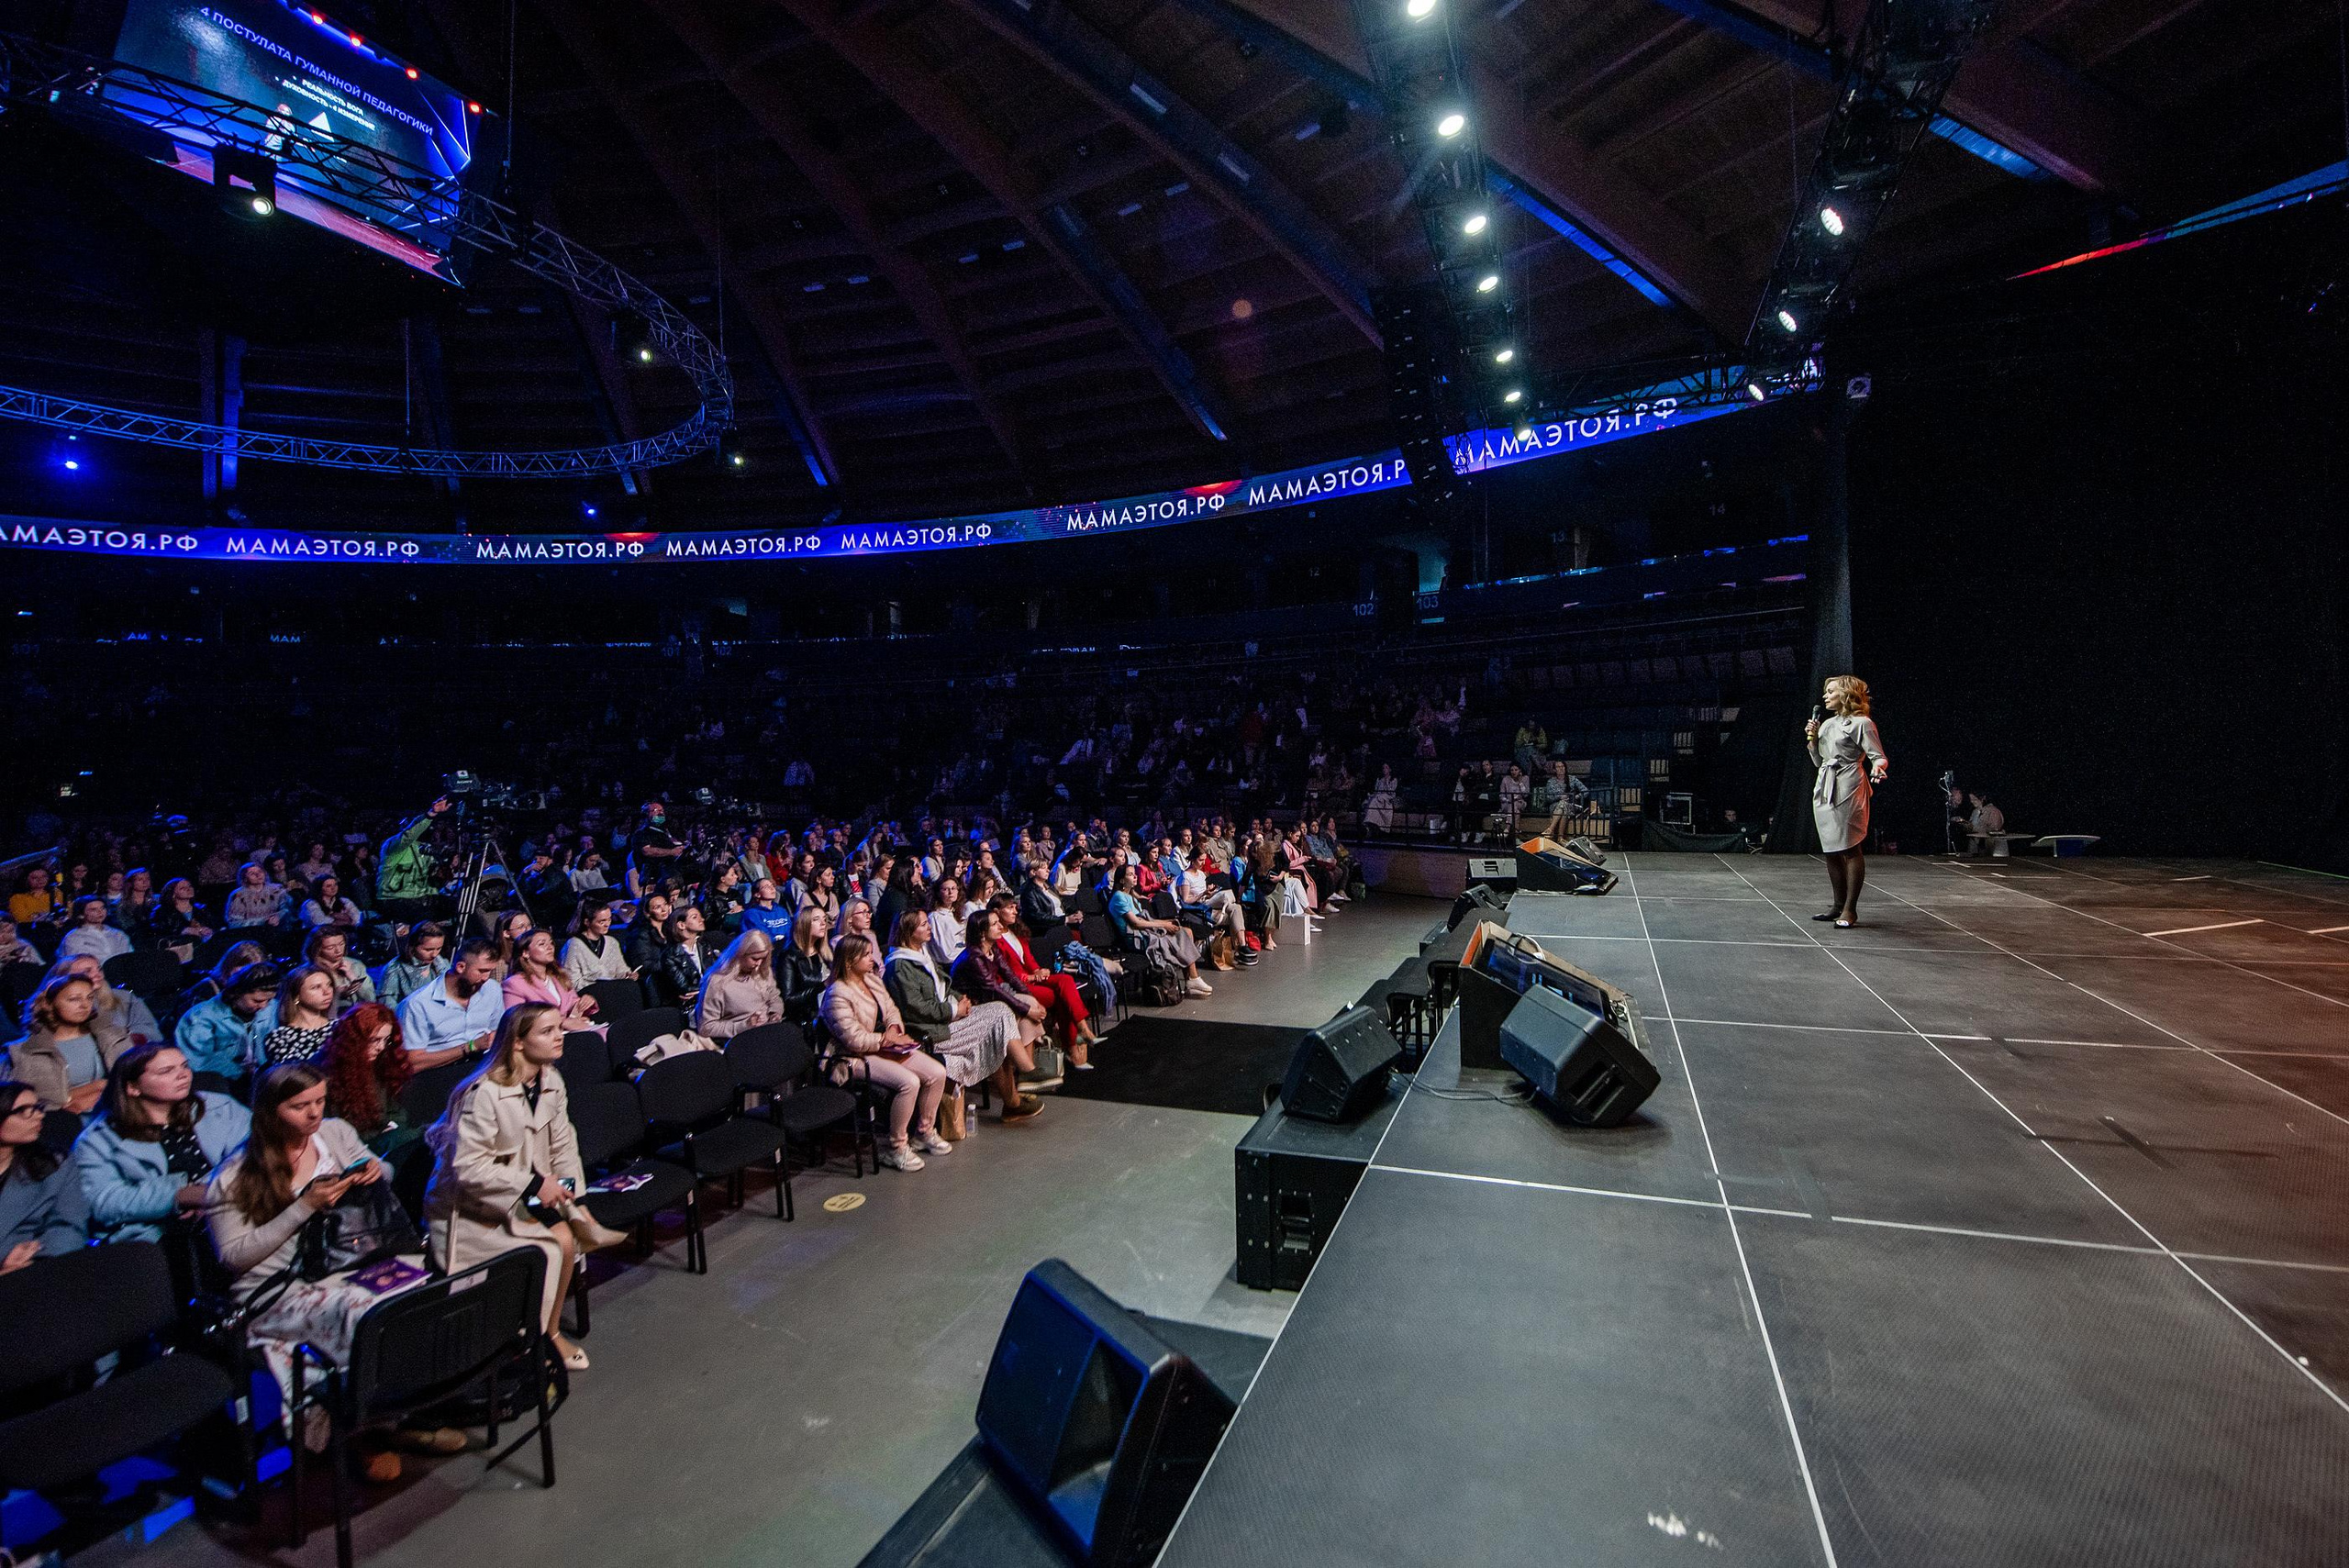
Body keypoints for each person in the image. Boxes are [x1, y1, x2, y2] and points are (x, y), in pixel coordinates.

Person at [422, 1001, 619, 1369]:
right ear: (517, 1042)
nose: (560, 1036)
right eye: (547, 1031)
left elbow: (563, 1144)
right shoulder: (482, 1094)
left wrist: (574, 1197)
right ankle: (534, 1338)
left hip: (522, 1192)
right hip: (470, 1207)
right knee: (551, 1245)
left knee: (569, 1235)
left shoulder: (550, 1080)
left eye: (560, 1028)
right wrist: (532, 1185)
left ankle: (548, 1332)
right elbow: (468, 1169)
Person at [72, 1043, 250, 1245]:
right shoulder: (98, 1139)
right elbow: (103, 1201)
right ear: (133, 1087)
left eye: (185, 1066)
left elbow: (257, 1152)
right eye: (166, 1071)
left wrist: (211, 1195)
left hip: (235, 1205)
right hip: (154, 1234)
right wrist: (179, 1196)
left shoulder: (219, 1106)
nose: (183, 1075)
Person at [887, 912, 1041, 1120]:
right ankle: (1024, 1077)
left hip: (949, 1018)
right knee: (999, 1020)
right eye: (924, 924)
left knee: (1001, 1014)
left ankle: (1015, 1097)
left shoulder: (921, 955)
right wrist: (953, 1010)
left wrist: (961, 1000)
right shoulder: (899, 966)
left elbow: (945, 988)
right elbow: (916, 1009)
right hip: (932, 1032)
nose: (929, 927)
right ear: (909, 931)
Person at [818, 934, 952, 1170]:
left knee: (936, 1072)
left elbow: (891, 1009)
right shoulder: (836, 994)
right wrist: (885, 1039)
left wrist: (893, 1029)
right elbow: (854, 1039)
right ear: (850, 961)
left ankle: (923, 1132)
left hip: (883, 1046)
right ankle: (897, 1147)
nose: (873, 959)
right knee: (909, 1082)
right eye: (867, 955)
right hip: (852, 1057)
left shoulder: (871, 980)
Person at [1806, 675, 1890, 928]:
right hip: (1825, 786)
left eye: (1830, 691)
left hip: (1849, 785)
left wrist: (1878, 768)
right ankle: (1836, 905)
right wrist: (1812, 739)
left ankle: (1850, 910)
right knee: (1831, 849)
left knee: (1850, 847)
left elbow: (1879, 756)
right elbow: (1818, 761)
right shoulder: (1827, 725)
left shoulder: (1862, 724)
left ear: (1845, 694)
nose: (1825, 696)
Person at [987, 894, 1097, 1065]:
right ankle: (1073, 1046)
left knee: (1066, 981)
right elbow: (1005, 972)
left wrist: (1038, 970)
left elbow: (1028, 958)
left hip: (1031, 977)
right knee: (1061, 997)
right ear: (996, 912)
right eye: (1010, 908)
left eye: (1015, 907)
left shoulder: (1015, 931)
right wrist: (1031, 976)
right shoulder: (995, 937)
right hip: (1017, 984)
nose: (1015, 911)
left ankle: (1082, 1029)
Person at [6, 973, 128, 1113]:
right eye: (74, 999)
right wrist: (98, 1086)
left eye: (89, 998)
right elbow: (22, 1102)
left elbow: (133, 1081)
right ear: (49, 1004)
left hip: (117, 1114)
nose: (84, 1005)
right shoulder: (23, 1052)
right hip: (58, 1122)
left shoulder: (115, 1037)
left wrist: (99, 1088)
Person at [0, 1079, 88, 1269]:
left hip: (30, 1273)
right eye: (25, 1110)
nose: (39, 1116)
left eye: (38, 1107)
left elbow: (68, 1227)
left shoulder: (55, 1165)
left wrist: (31, 1262)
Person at [317, 1003, 419, 1156]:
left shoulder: (381, 1064)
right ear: (355, 1039)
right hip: (349, 1148)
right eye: (374, 1040)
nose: (381, 1047)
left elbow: (394, 1111)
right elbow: (332, 1129)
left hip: (383, 1137)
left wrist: (392, 1125)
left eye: (386, 1040)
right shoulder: (326, 1073)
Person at [394, 937, 506, 1071]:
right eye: (482, 971)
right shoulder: (417, 1004)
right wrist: (470, 1046)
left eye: (490, 971)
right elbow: (412, 1061)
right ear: (460, 967)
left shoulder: (492, 989)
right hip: (437, 1072)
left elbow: (496, 1031)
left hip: (482, 1065)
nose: (486, 978)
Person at [1107, 863, 1211, 996]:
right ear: (1121, 880)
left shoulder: (1131, 897)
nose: (1135, 876)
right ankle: (1192, 978)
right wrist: (1163, 926)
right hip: (1136, 937)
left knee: (1184, 930)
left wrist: (1166, 922)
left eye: (1134, 874)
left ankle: (1190, 979)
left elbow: (1147, 920)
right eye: (1130, 874)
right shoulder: (1118, 897)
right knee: (1181, 934)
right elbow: (1136, 923)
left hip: (1144, 930)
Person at [175, 961, 280, 1086]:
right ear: (237, 992)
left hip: (264, 1080)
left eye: (268, 1000)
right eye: (257, 1001)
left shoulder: (272, 1008)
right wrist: (241, 1072)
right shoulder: (200, 1017)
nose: (264, 1006)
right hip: (220, 1084)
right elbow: (197, 1062)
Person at [696, 929, 788, 1040]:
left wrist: (775, 1013)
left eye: (763, 959)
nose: (759, 964)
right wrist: (745, 1025)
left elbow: (774, 997)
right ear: (740, 954)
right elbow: (706, 1027)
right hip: (740, 1039)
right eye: (755, 959)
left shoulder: (763, 971)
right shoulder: (717, 982)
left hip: (769, 1031)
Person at [503, 929, 600, 1032]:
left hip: (569, 1033)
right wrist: (561, 1023)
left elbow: (572, 1004)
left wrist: (584, 1002)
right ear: (526, 953)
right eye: (542, 944)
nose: (550, 947)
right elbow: (517, 1021)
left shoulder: (558, 977)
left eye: (551, 943)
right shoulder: (515, 984)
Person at [651, 906, 717, 1009]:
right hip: (689, 1006)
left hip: (711, 998)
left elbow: (716, 975)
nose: (702, 919)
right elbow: (686, 988)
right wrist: (716, 987)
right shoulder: (670, 955)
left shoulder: (705, 946)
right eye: (695, 917)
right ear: (681, 925)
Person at [775, 906, 832, 1025]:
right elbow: (789, 999)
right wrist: (822, 986)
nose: (823, 923)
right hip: (806, 1021)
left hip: (830, 1014)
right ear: (804, 924)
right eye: (816, 919)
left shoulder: (826, 953)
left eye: (824, 919)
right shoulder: (789, 957)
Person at [560, 902, 633, 991]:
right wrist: (598, 983)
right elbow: (571, 983)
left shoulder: (612, 942)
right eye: (602, 921)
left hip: (613, 992)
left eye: (609, 919)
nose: (607, 924)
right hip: (589, 995)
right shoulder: (573, 945)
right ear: (587, 922)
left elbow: (621, 970)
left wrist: (627, 975)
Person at [375, 922, 450, 1010]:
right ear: (414, 946)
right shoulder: (394, 969)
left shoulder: (442, 965)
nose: (434, 954)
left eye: (438, 949)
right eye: (428, 950)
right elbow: (387, 1006)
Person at [304, 928, 376, 1011]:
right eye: (330, 948)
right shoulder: (308, 972)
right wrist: (337, 995)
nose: (338, 950)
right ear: (317, 949)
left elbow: (371, 999)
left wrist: (352, 976)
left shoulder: (356, 965)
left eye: (342, 944)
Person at [58, 895, 130, 964]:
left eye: (102, 908)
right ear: (81, 915)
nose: (100, 912)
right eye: (93, 909)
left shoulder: (118, 934)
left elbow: (129, 957)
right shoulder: (74, 937)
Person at [226, 862, 291, 928]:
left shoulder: (277, 889)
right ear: (245, 878)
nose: (258, 875)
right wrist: (264, 921)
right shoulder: (238, 895)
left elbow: (287, 908)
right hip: (250, 932)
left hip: (278, 928)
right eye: (252, 874)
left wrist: (278, 917)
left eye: (260, 871)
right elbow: (234, 922)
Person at [740, 879, 795, 947]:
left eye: (772, 885)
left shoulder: (781, 910)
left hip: (787, 951)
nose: (772, 888)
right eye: (766, 887)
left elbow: (790, 931)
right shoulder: (751, 914)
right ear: (757, 894)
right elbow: (763, 937)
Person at [1965, 791, 2009, 859]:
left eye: (1974, 799)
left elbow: (1995, 830)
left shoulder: (1993, 811)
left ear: (1982, 799)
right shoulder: (1975, 812)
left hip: (1992, 847)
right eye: (1971, 799)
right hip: (1978, 845)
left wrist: (1976, 829)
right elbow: (1971, 826)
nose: (1972, 801)